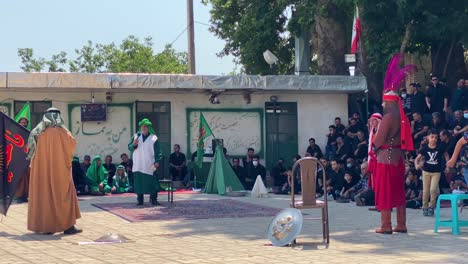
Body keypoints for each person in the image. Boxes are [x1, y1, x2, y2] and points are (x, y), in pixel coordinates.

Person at [371, 53, 415, 234]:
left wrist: (374, 135)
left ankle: (386, 225)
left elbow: (378, 141)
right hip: (398, 160)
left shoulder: (388, 117)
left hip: (386, 160)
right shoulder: (401, 117)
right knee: (399, 192)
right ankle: (401, 224)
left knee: (386, 192)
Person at [27, 107, 81, 235]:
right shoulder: (63, 132)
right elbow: (72, 144)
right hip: (60, 172)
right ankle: (68, 227)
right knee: (64, 196)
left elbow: (29, 150)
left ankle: (46, 226)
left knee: (44, 197)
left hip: (41, 173)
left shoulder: (36, 133)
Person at [128, 118, 162, 206]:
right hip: (138, 164)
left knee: (153, 181)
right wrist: (134, 144)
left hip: (151, 164)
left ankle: (154, 199)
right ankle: (140, 200)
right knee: (139, 183)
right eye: (142, 126)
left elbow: (158, 151)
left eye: (146, 126)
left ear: (149, 127)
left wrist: (157, 161)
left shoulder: (154, 138)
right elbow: (129, 147)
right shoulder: (136, 136)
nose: (144, 128)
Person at [15, 117, 30, 203]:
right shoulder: (15, 133)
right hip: (18, 158)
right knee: (20, 178)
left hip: (27, 158)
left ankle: (26, 196)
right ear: (19, 123)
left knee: (28, 177)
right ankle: (19, 196)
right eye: (22, 122)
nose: (23, 124)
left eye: (25, 122)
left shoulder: (29, 133)